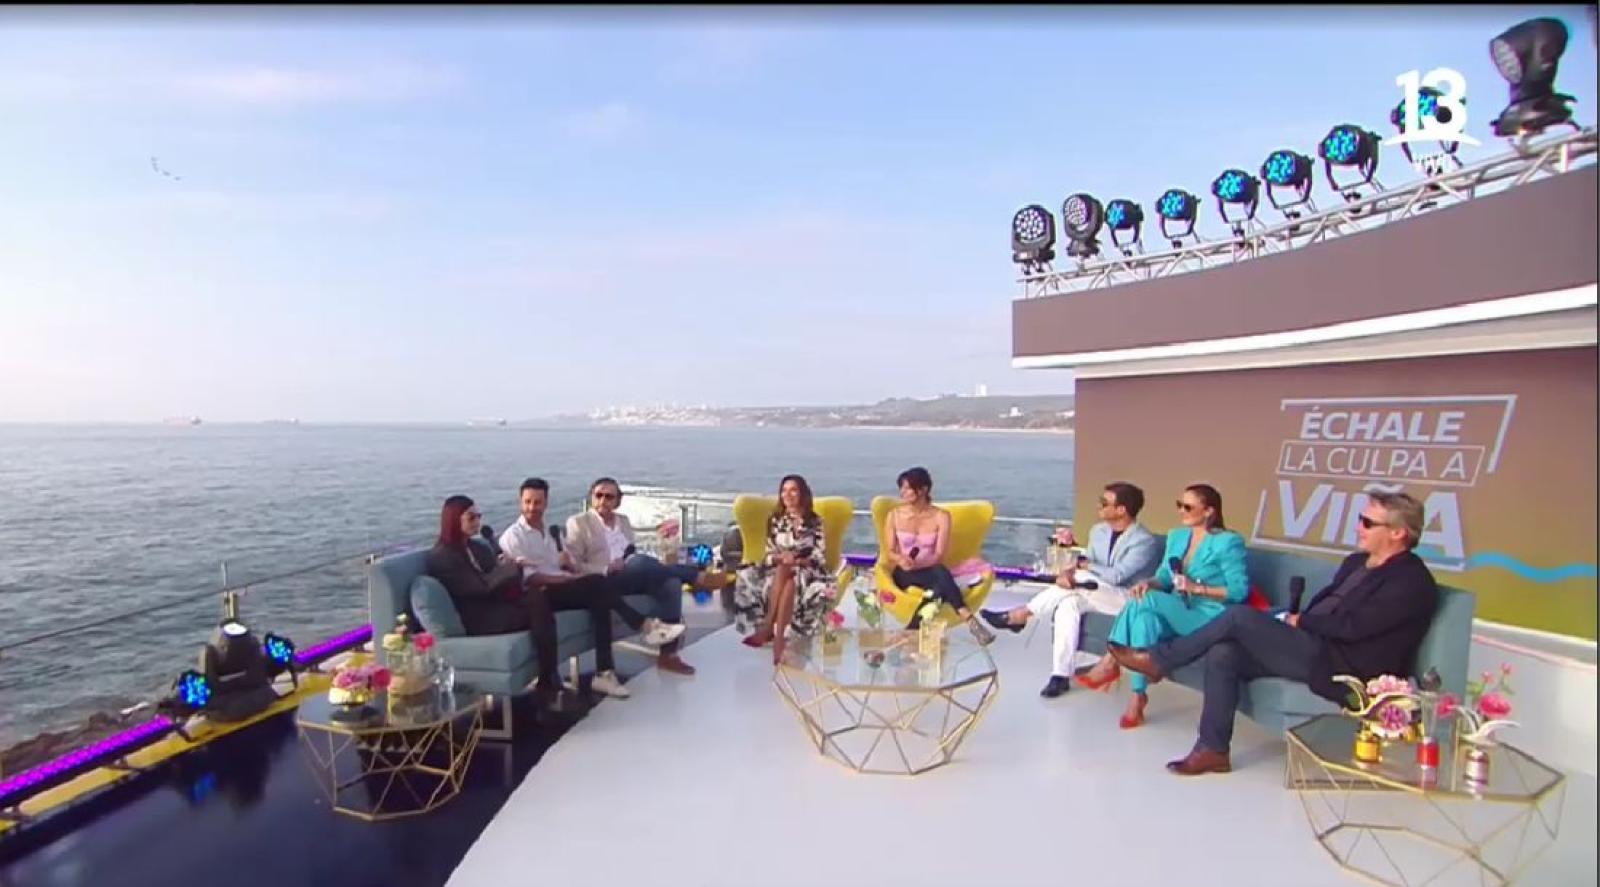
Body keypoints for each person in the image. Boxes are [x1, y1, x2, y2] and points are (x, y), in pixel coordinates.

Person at [1108, 491, 1439, 776]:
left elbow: (1356, 628)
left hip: (1344, 665)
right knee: (1225, 652)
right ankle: (1213, 749)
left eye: (1367, 523)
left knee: (1238, 617)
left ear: (1398, 532)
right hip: (1313, 645)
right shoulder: (1356, 563)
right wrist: (1293, 621)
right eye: (1360, 519)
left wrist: (1301, 622)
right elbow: (1327, 611)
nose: (1358, 528)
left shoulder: (1410, 581)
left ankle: (1159, 661)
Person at [1075, 484, 1249, 730]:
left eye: (1188, 507)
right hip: (1178, 607)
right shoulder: (1177, 536)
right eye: (1179, 505)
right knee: (1144, 619)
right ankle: (1137, 697)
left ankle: (1110, 661)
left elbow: (1239, 591)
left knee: (1147, 601)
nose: (1181, 511)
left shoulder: (1228, 542)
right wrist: (1148, 583)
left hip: (1208, 614)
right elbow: (1164, 578)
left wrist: (1198, 588)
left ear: (1209, 511)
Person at [498, 478, 684, 700]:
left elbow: (565, 565)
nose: (532, 508)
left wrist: (568, 567)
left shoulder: (550, 532)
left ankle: (605, 673)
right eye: (527, 502)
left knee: (600, 598)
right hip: (542, 594)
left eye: (537, 502)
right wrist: (568, 579)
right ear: (520, 502)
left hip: (565, 584)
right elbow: (531, 578)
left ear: (546, 503)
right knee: (597, 583)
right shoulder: (514, 536)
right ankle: (645, 624)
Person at [979, 481, 1162, 698]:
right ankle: (1060, 675)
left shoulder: (1143, 541)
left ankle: (1020, 615)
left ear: (1121, 510)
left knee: (1081, 579)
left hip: (1127, 600)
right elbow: (1086, 565)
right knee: (1068, 604)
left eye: (1104, 503)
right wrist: (1069, 572)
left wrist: (1083, 567)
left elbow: (1117, 576)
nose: (1099, 506)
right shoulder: (1098, 531)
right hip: (1093, 592)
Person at [565, 476, 731, 677]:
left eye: (609, 497)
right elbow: (574, 565)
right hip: (605, 581)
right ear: (591, 497)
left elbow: (630, 551)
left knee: (670, 582)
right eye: (598, 495)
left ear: (617, 501)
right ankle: (696, 576)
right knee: (640, 562)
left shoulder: (623, 521)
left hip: (632, 574)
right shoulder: (579, 523)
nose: (603, 501)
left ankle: (668, 655)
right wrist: (606, 567)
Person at [425, 494, 576, 707]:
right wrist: (512, 567)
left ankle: (548, 678)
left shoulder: (477, 547)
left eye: (479, 516)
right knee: (538, 606)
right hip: (478, 618)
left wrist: (507, 567)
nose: (477, 522)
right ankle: (548, 678)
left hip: (497, 605)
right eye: (471, 517)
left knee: (537, 597)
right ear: (454, 520)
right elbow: (480, 587)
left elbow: (494, 575)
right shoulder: (442, 557)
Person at [732, 474, 835, 665]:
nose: (787, 495)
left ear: (802, 493)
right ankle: (778, 637)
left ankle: (768, 629)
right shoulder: (776, 520)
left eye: (793, 490)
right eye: (784, 491)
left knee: (790, 573)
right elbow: (769, 552)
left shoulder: (816, 522)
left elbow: (819, 556)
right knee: (785, 575)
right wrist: (782, 558)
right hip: (779, 568)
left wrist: (797, 560)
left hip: (808, 570)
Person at [884, 466, 994, 644]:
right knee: (941, 575)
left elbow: (939, 554)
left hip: (929, 570)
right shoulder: (894, 516)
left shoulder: (941, 517)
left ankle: (909, 631)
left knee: (938, 585)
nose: (902, 492)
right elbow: (890, 552)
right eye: (901, 488)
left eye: (907, 488)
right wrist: (901, 559)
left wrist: (919, 564)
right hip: (904, 572)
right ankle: (969, 618)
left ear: (923, 489)